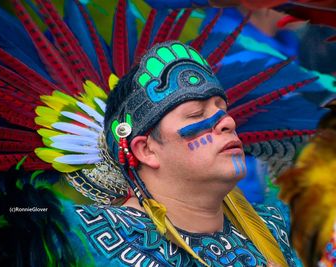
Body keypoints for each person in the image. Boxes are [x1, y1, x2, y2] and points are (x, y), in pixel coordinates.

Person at [68, 41, 299, 267]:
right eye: (196, 114)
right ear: (146, 150)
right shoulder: (80, 239)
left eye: (223, 110)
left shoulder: (275, 226)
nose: (227, 121)